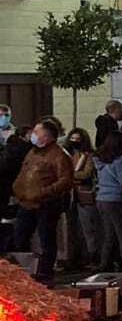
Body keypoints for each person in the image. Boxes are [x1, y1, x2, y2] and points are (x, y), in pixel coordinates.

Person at [10, 120, 76, 284]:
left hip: (46, 204)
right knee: (20, 237)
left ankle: (45, 273)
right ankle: (23, 272)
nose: (33, 134)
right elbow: (24, 172)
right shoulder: (33, 152)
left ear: (46, 136)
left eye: (37, 132)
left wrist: (44, 192)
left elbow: (66, 180)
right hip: (26, 203)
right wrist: (18, 188)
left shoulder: (59, 155)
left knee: (47, 238)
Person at [92, 131, 122, 273]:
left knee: (109, 234)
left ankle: (105, 263)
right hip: (116, 199)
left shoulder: (101, 160)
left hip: (101, 198)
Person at [66, 127, 99, 266]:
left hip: (84, 195)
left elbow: (86, 174)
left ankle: (92, 256)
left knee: (88, 228)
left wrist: (69, 176)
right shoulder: (67, 154)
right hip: (70, 196)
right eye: (72, 139)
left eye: (77, 139)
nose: (74, 142)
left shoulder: (89, 155)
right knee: (72, 229)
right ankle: (75, 257)